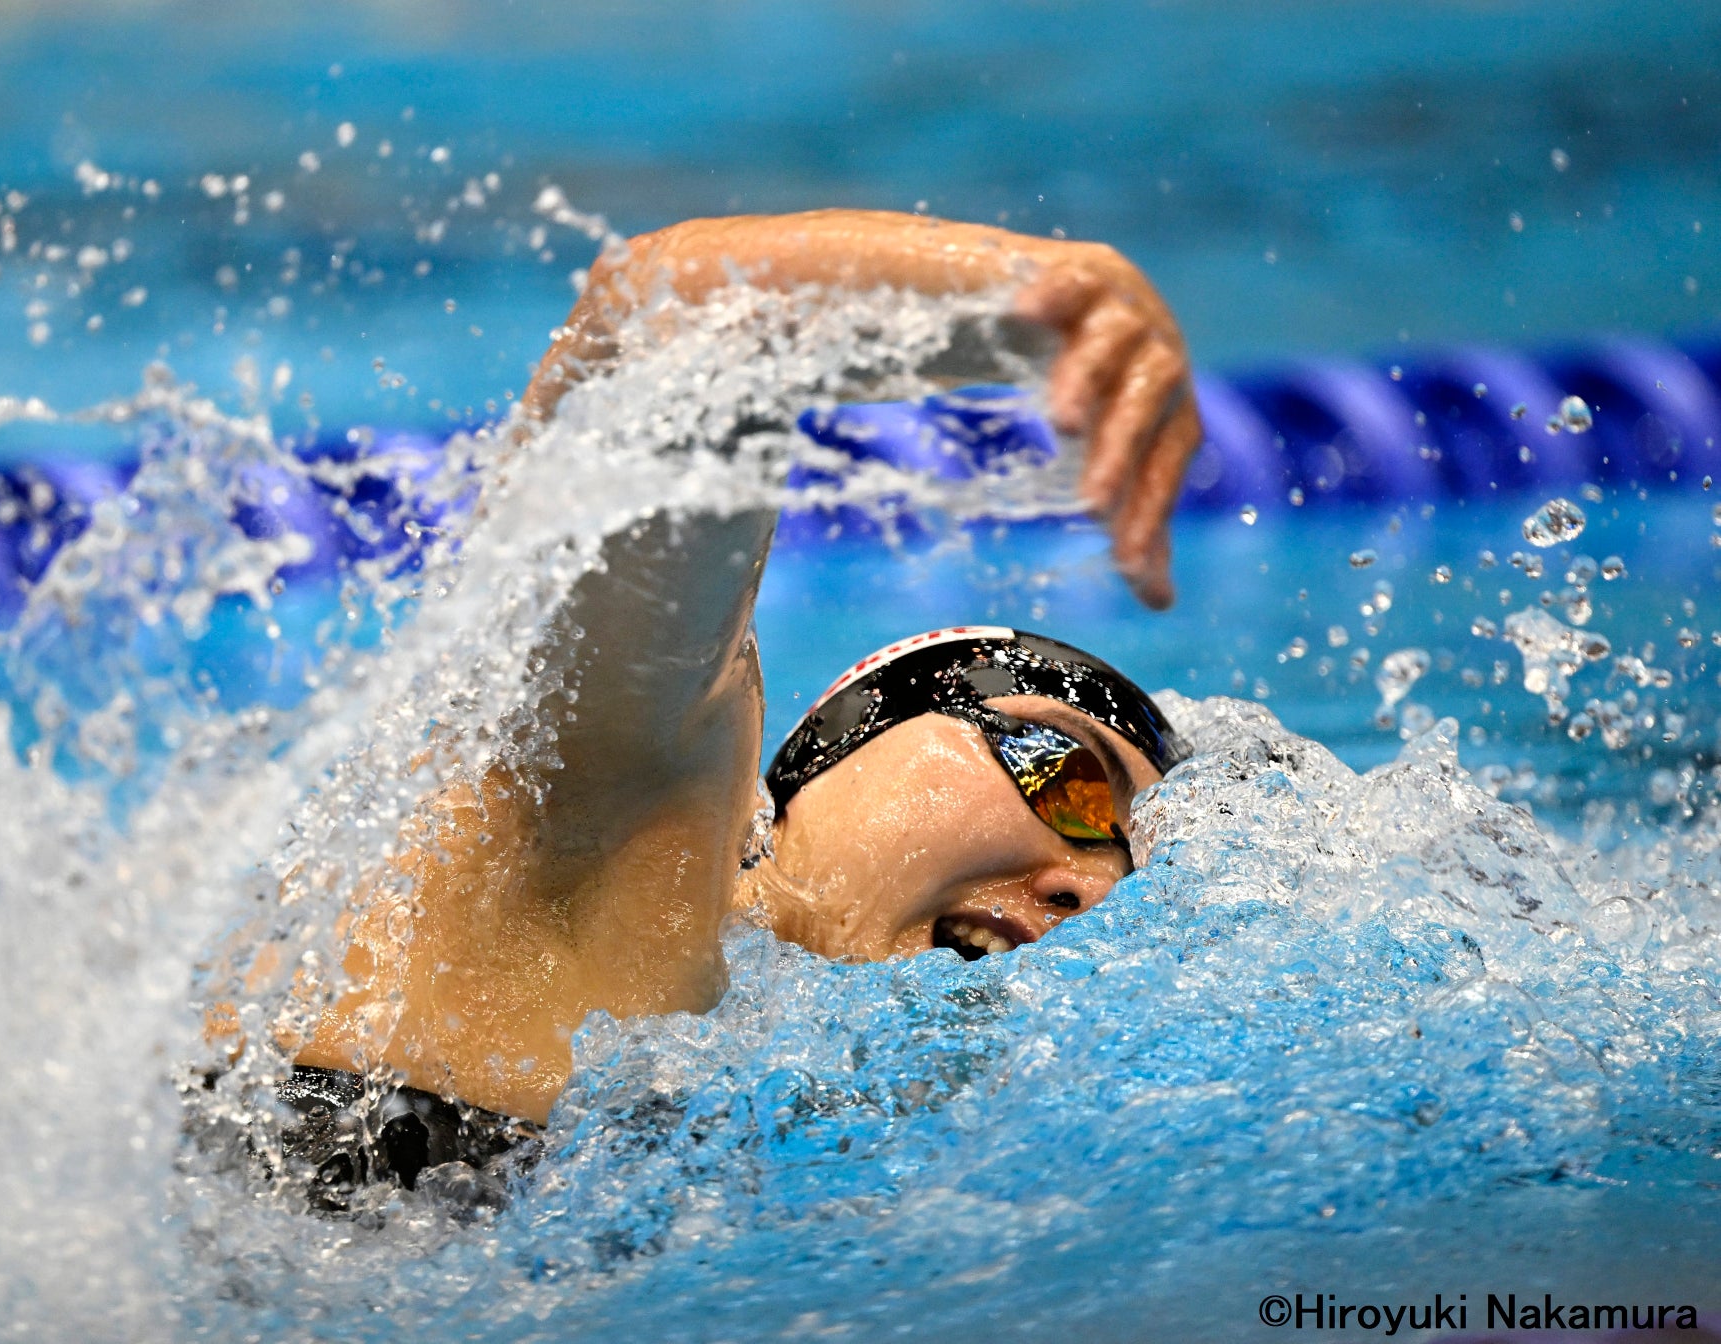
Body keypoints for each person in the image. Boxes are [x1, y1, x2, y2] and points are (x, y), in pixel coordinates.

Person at [225, 210, 1201, 1200]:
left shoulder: (765, 1105)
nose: (1087, 890)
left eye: (1130, 867)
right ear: (841, 746)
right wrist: (1045, 301)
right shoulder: (622, 819)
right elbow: (681, 324)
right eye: (1067, 777)